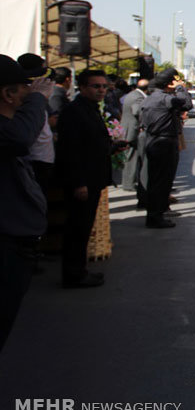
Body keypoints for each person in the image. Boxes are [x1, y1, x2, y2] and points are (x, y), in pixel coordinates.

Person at [0, 54, 53, 350]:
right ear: (8, 94)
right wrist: (38, 99)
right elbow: (21, 137)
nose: (29, 96)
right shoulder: (11, 132)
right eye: (24, 89)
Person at [55, 69, 112, 288]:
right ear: (83, 87)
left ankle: (79, 269)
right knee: (77, 229)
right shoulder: (74, 111)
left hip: (93, 177)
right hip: (82, 181)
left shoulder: (90, 109)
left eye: (104, 86)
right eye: (96, 86)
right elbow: (70, 151)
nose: (101, 90)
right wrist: (78, 183)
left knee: (83, 228)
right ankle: (73, 274)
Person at [139, 69, 191, 228]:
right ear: (169, 83)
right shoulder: (166, 99)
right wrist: (181, 88)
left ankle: (155, 213)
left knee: (156, 180)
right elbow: (187, 104)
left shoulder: (150, 98)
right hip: (164, 143)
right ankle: (156, 216)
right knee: (163, 181)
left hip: (153, 140)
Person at [17, 54, 56, 193]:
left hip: (42, 157)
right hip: (33, 159)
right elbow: (23, 137)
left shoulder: (38, 98)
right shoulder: (30, 98)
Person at [119, 78, 149, 205]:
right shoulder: (138, 97)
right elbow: (137, 111)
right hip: (132, 130)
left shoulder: (132, 94)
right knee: (131, 156)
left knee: (131, 156)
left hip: (128, 128)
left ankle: (128, 182)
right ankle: (128, 183)